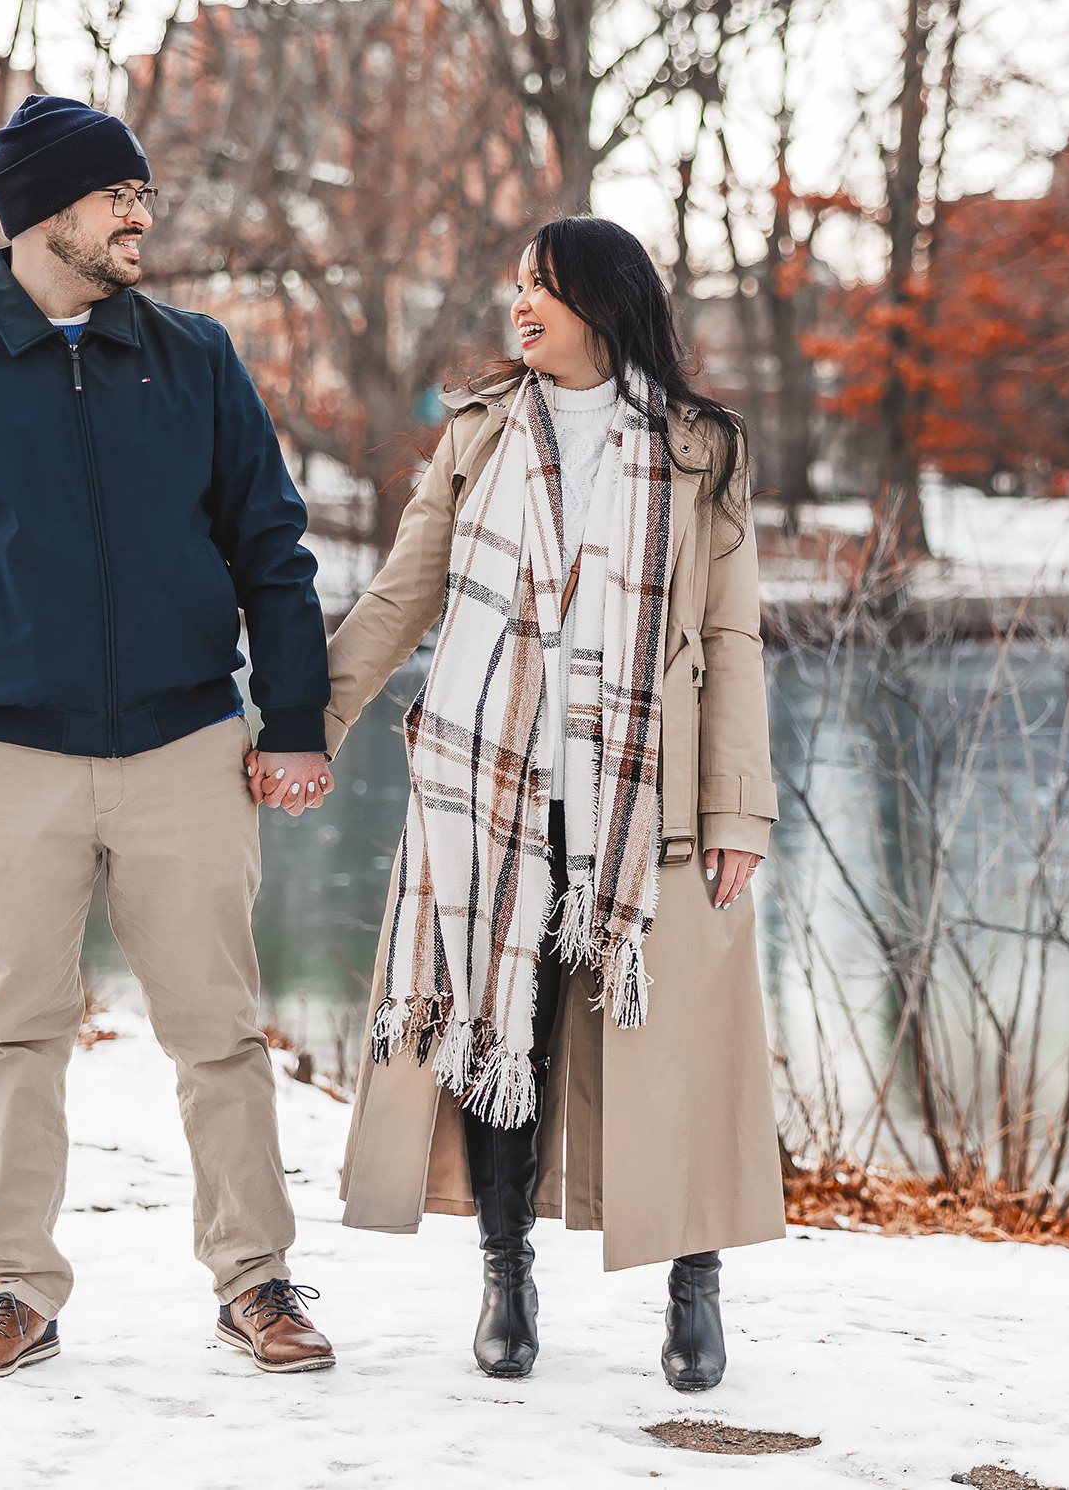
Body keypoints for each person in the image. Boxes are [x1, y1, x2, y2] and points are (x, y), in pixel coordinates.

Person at [0, 94, 338, 1382]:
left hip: (185, 747)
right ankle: (16, 1288)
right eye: (120, 193)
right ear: (44, 211)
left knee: (218, 1030)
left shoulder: (196, 355)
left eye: (142, 192)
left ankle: (256, 1279)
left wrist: (289, 717)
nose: (142, 213)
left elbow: (271, 551)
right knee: (13, 1032)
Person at [288, 214, 781, 1392]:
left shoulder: (701, 449)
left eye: (545, 290)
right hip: (490, 787)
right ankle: (505, 1276)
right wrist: (306, 724)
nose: (520, 308)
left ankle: (693, 1290)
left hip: (645, 799)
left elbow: (729, 634)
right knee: (496, 1029)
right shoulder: (476, 435)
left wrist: (737, 811)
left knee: (681, 1049)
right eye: (516, 287)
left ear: (606, 304)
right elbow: (406, 591)